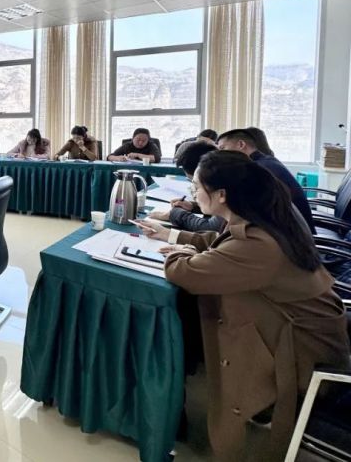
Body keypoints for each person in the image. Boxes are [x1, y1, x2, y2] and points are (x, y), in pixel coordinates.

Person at [137, 151, 349, 461]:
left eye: (196, 187)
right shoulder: (263, 220)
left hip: (302, 352)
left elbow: (184, 272)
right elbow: (221, 244)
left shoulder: (259, 244)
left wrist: (181, 253)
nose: (193, 194)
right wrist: (172, 234)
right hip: (306, 330)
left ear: (221, 194)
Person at [217, 128, 315, 233]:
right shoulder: (266, 161)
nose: (219, 154)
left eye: (223, 148)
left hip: (291, 235)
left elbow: (245, 208)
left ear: (241, 144)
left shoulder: (259, 169)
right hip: (295, 230)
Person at [148, 141, 224, 232]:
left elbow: (210, 227)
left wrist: (174, 214)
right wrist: (193, 206)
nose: (194, 192)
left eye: (196, 185)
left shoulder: (230, 189)